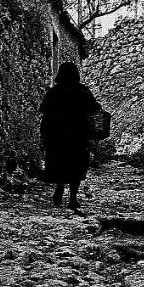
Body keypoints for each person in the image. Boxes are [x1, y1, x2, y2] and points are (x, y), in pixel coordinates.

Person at [39, 62, 101, 210]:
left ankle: (59, 189)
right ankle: (72, 198)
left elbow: (44, 111)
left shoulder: (54, 92)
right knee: (76, 166)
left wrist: (46, 134)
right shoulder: (82, 91)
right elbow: (95, 108)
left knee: (59, 162)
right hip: (78, 136)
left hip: (57, 136)